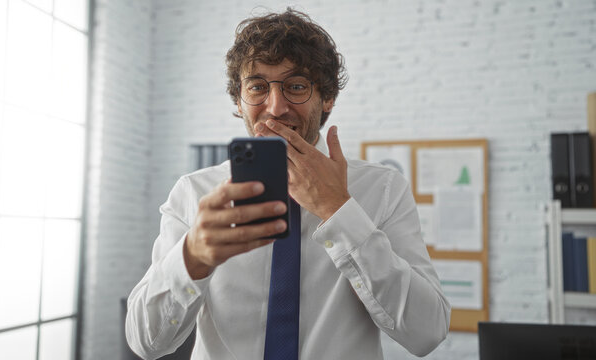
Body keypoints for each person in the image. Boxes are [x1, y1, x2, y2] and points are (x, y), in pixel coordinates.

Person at [126, 8, 450, 360]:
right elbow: (146, 343)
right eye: (257, 87)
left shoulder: (383, 190)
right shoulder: (195, 193)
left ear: (327, 98)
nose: (276, 108)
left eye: (296, 86)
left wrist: (338, 210)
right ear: (239, 101)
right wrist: (192, 258)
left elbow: (427, 333)